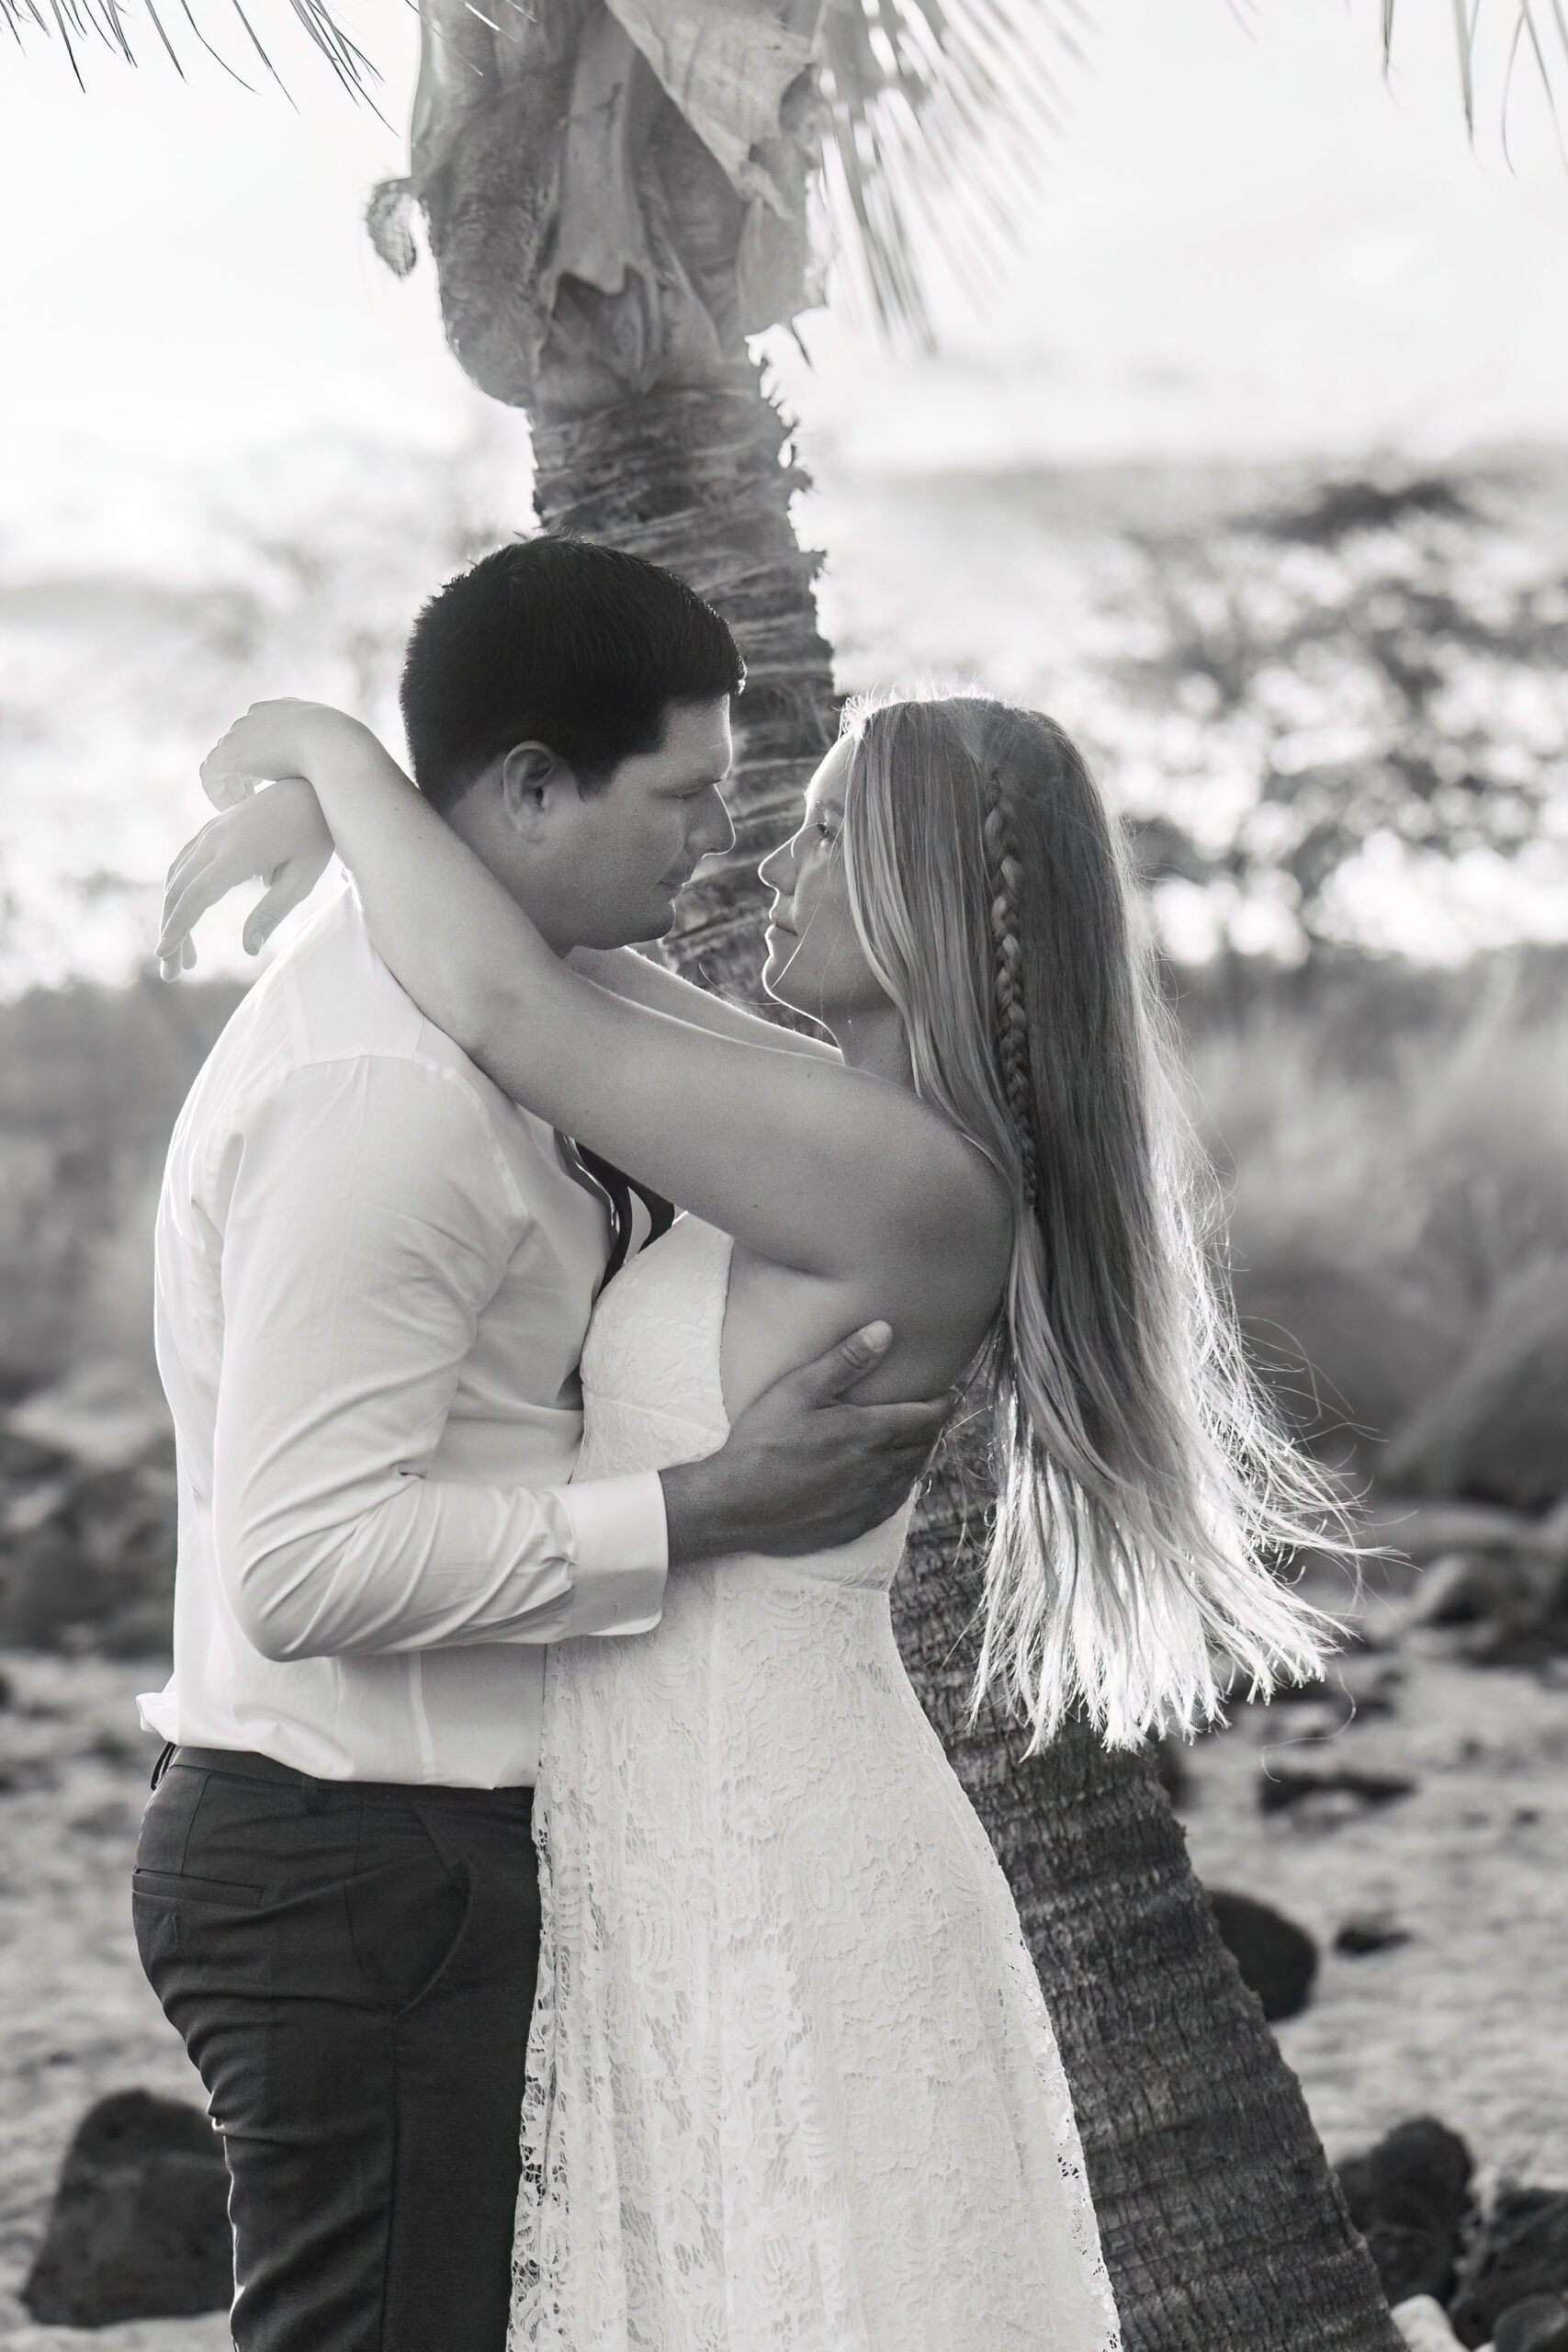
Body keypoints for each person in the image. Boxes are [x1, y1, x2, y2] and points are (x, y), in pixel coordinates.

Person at [164, 608, 1339, 2352]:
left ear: (922, 902)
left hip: (759, 1809)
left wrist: (337, 755)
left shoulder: (897, 1176)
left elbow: (501, 1002)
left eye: (825, 829)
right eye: (735, 805)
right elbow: (523, 956)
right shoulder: (826, 1114)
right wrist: (365, 820)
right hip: (674, 1797)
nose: (765, 848)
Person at [136, 539, 953, 2352]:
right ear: (525, 786)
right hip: (362, 1857)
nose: (710, 846)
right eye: (678, 796)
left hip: (431, 1850)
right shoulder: (388, 1097)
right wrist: (701, 1507)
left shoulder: (516, 1013)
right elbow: (303, 1569)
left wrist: (350, 795)